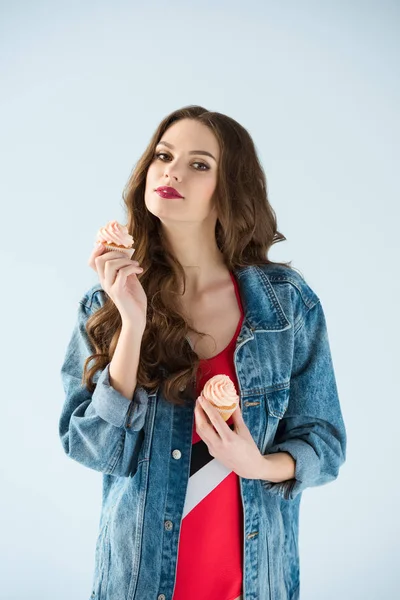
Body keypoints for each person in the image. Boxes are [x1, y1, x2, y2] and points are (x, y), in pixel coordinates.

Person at [59, 105, 347, 600]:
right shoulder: (104, 305)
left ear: (229, 188)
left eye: (199, 163)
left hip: (254, 583)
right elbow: (93, 449)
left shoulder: (286, 305)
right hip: (139, 583)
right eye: (163, 155)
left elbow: (324, 444)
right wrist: (132, 322)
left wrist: (255, 463)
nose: (171, 170)